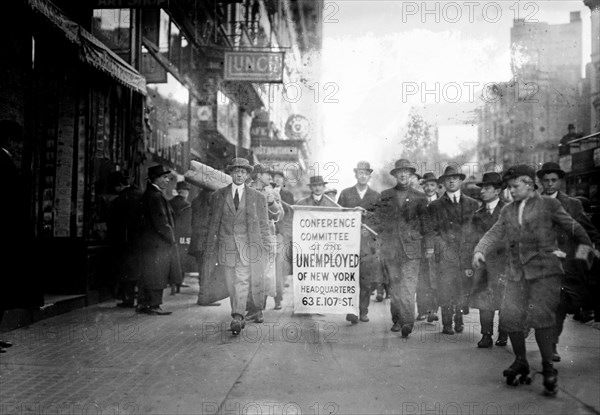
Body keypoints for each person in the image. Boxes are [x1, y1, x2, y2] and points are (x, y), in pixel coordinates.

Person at [473, 164, 593, 396]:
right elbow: (494, 233)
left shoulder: (549, 205)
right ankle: (521, 361)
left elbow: (577, 230)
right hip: (516, 274)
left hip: (544, 274)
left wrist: (578, 260)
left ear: (529, 184)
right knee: (510, 318)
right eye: (508, 187)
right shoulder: (508, 211)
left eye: (515, 186)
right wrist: (480, 250)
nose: (511, 191)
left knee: (541, 319)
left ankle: (548, 368)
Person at [536, 162, 600, 361]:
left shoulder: (573, 205)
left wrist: (580, 259)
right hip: (538, 264)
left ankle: (552, 345)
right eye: (546, 181)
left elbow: (589, 234)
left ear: (560, 181)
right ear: (540, 182)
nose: (550, 185)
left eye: (554, 180)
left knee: (559, 307)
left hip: (564, 267)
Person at [201, 158, 271, 335]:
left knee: (242, 280)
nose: (239, 174)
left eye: (243, 172)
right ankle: (237, 312)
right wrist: (209, 247)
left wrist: (267, 246)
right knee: (231, 282)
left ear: (248, 175)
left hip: (248, 248)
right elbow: (211, 223)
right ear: (230, 173)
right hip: (226, 247)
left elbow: (264, 225)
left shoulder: (258, 197)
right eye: (236, 171)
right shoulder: (218, 196)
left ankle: (237, 316)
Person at [371, 159, 432, 338]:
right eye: (400, 172)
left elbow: (426, 224)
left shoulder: (420, 197)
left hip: (411, 250)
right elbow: (376, 219)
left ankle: (407, 322)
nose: (403, 175)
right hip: (390, 250)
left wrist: (428, 247)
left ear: (411, 175)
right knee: (394, 288)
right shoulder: (385, 195)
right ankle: (397, 319)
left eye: (407, 172)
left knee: (408, 287)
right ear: (395, 175)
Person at [0, 120, 43, 353]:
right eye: (16, 141)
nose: (18, 147)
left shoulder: (5, 160)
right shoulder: (2, 161)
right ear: (8, 139)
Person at [428, 165, 479, 335]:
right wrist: (441, 248)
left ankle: (459, 317)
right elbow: (432, 231)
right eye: (448, 179)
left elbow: (476, 230)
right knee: (446, 287)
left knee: (463, 287)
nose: (451, 181)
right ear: (443, 182)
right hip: (445, 254)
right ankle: (447, 322)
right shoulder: (435, 205)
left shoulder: (472, 204)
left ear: (461, 181)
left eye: (455, 178)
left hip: (466, 253)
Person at [337, 161, 381, 324]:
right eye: (360, 173)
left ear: (370, 176)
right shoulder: (345, 193)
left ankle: (363, 310)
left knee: (366, 279)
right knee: (349, 279)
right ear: (356, 175)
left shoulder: (376, 195)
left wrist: (367, 218)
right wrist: (351, 213)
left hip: (367, 245)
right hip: (349, 243)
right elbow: (338, 216)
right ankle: (351, 310)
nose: (363, 176)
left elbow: (380, 218)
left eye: (366, 173)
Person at [469, 172, 508, 348]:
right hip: (484, 264)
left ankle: (504, 334)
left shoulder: (508, 211)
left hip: (504, 263)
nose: (482, 192)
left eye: (487, 188)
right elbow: (471, 239)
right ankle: (486, 335)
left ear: (497, 191)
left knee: (505, 299)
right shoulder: (477, 215)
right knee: (485, 300)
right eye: (482, 188)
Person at [137, 165, 181, 315]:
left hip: (150, 243)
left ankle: (144, 304)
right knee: (157, 275)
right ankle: (153, 305)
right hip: (157, 244)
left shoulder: (150, 194)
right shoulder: (155, 196)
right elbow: (161, 222)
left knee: (149, 274)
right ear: (156, 179)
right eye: (164, 177)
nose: (167, 180)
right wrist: (171, 238)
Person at [246, 163, 283, 323]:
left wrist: (271, 203)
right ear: (259, 175)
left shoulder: (272, 192)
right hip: (247, 238)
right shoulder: (245, 190)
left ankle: (258, 309)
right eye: (268, 174)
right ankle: (250, 308)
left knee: (264, 275)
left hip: (267, 238)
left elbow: (279, 215)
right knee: (247, 274)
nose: (270, 177)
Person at [107, 171, 143, 308]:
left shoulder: (119, 201)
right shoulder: (141, 196)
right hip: (141, 242)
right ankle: (141, 299)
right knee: (139, 271)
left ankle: (128, 300)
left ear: (119, 186)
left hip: (125, 243)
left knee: (126, 272)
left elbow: (112, 225)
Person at [189, 188, 223, 306]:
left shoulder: (196, 200)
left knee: (203, 270)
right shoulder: (210, 199)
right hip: (206, 242)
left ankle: (203, 296)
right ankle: (204, 298)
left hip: (198, 242)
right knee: (207, 270)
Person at [416, 172, 440, 322]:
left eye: (432, 185)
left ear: (437, 186)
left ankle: (433, 309)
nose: (429, 188)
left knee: (435, 277)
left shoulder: (442, 202)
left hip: (438, 245)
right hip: (420, 244)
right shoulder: (418, 202)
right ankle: (422, 309)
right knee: (422, 278)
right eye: (426, 185)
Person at [169, 180, 193, 292]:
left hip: (171, 234)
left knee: (172, 257)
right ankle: (179, 281)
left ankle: (172, 282)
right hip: (183, 236)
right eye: (187, 190)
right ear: (183, 192)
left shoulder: (169, 203)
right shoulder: (187, 205)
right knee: (182, 259)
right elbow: (188, 223)